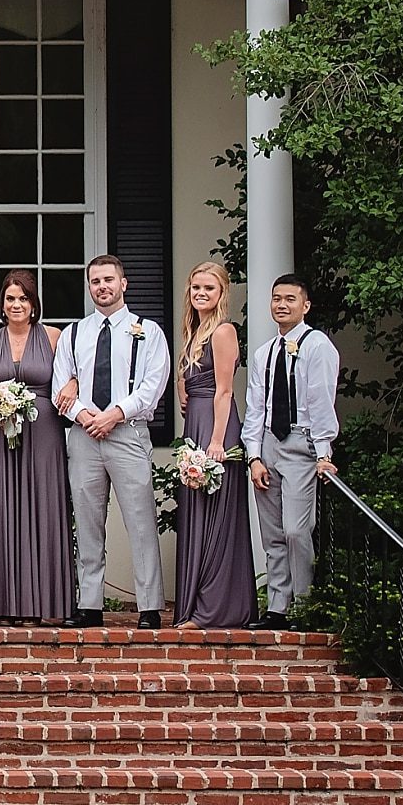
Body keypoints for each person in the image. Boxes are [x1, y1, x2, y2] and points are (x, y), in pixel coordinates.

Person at [52, 255, 171, 629]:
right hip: (85, 436)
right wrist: (87, 416)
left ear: (124, 283)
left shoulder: (148, 331)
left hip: (127, 433)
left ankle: (149, 606)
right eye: (95, 281)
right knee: (87, 519)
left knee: (140, 519)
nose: (101, 287)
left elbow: (153, 385)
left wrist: (114, 413)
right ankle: (89, 604)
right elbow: (61, 384)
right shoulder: (74, 333)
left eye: (108, 280)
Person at [0, 269, 71, 625]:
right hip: (0, 434)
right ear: (2, 303)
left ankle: (41, 604)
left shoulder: (55, 338)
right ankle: (3, 604)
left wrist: (70, 386)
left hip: (44, 435)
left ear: (33, 302)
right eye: (10, 298)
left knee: (43, 509)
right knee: (1, 510)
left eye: (23, 298)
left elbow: (73, 376)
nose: (16, 304)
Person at [239, 274, 340, 630]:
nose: (281, 305)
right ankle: (277, 608)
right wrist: (253, 456)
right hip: (268, 443)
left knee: (298, 529)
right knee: (272, 533)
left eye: (290, 299)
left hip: (302, 443)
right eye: (276, 298)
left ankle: (305, 604)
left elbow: (321, 400)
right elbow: (255, 408)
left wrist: (323, 452)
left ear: (305, 305)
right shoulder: (264, 352)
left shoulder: (318, 345)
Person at [172, 261, 254, 630]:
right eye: (196, 288)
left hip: (217, 427)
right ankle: (193, 606)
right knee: (196, 513)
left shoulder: (223, 331)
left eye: (209, 288)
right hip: (197, 423)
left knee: (217, 516)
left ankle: (214, 608)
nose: (201, 294)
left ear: (222, 294)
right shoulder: (194, 332)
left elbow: (224, 390)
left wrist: (217, 441)